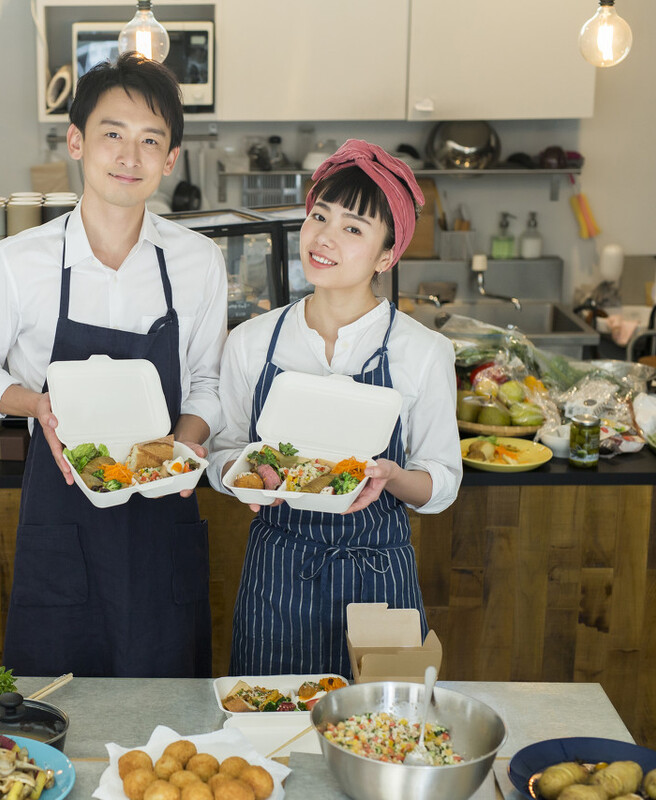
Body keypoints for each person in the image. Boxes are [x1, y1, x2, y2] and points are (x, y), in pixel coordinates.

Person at [0, 52, 227, 678]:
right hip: (63, 519)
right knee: (60, 709)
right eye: (112, 134)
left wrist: (181, 450)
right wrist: (36, 404)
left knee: (169, 715)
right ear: (77, 142)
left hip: (163, 515)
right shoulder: (19, 261)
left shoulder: (197, 261)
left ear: (170, 159)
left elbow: (208, 382)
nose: (130, 156)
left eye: (150, 140)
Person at [204, 139, 462, 677]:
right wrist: (243, 476)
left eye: (353, 228)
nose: (324, 237)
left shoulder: (422, 352)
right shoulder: (252, 342)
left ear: (387, 256)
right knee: (269, 738)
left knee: (379, 739)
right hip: (278, 577)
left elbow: (441, 479)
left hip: (378, 579)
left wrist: (391, 476)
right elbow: (222, 451)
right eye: (320, 216)